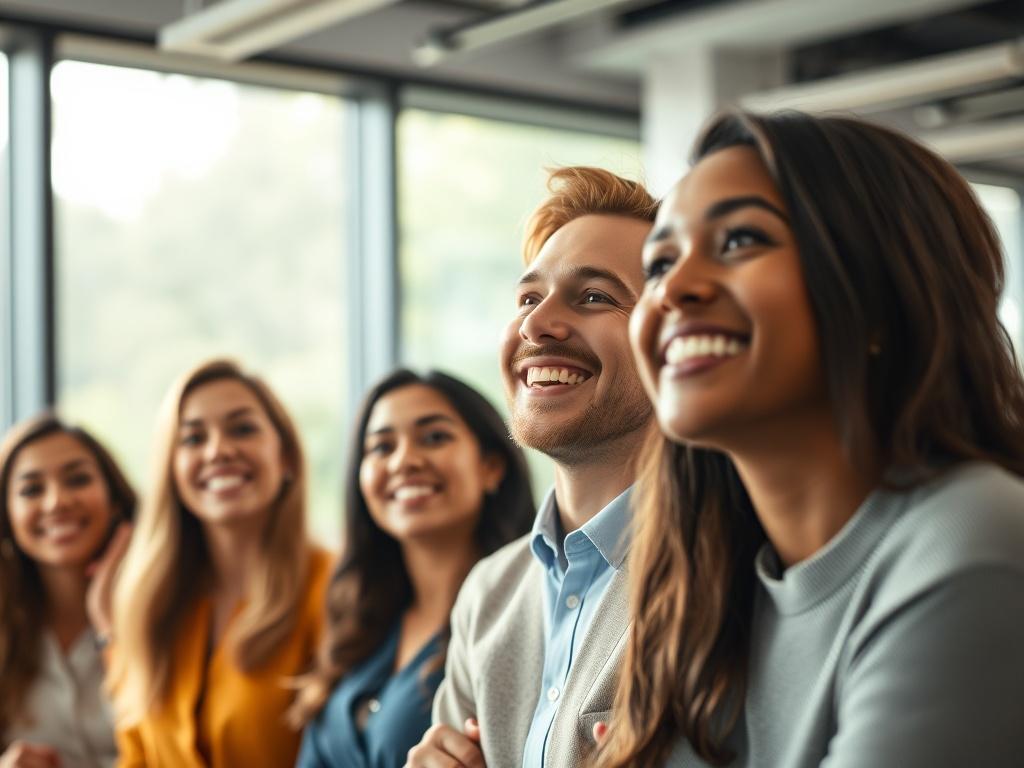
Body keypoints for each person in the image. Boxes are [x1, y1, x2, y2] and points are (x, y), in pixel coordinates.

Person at [593, 110, 1024, 767]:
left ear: (883, 291)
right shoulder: (709, 578)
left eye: (740, 240)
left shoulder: (972, 540)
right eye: (659, 263)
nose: (676, 289)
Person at [408, 166, 658, 768]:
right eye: (527, 297)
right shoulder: (488, 593)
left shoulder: (726, 573)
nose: (536, 324)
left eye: (595, 296)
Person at [291, 369, 534, 768]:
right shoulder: (360, 617)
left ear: (491, 466)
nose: (404, 461)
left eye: (434, 437)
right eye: (381, 447)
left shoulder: (523, 614)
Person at [107, 359, 332, 768]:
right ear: (172, 469)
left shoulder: (333, 587)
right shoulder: (147, 603)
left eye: (242, 429)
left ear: (285, 458)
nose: (219, 451)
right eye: (193, 438)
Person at [1, 414, 135, 768]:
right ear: (7, 517)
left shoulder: (166, 614)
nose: (56, 502)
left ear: (115, 500)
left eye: (77, 480)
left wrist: (109, 622)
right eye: (31, 489)